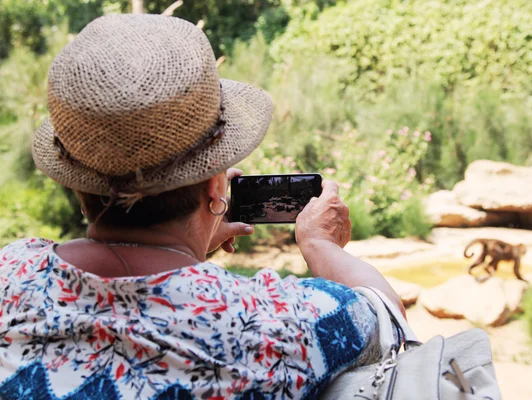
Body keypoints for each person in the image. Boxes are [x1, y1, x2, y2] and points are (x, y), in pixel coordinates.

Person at [0, 14, 406, 400]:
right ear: (216, 184)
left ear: (75, 183)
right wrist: (320, 245)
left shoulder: (12, 275)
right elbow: (387, 317)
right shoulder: (267, 324)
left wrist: (191, 243)